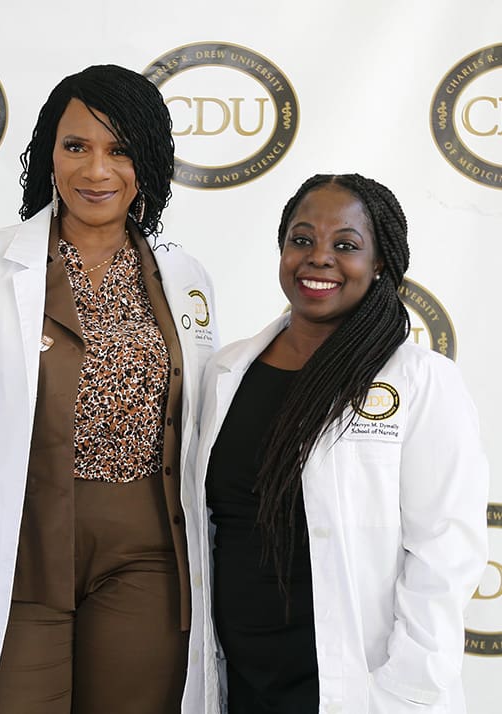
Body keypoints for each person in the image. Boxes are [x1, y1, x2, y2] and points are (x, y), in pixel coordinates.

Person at [0, 64, 218, 714]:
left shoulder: (185, 277)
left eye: (120, 149)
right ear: (48, 156)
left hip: (146, 558)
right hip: (22, 553)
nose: (97, 170)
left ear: (147, 162)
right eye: (77, 147)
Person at [188, 174, 488, 714]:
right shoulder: (227, 372)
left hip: (357, 683)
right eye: (301, 240)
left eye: (345, 246)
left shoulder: (419, 380)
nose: (318, 258)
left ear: (379, 263)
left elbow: (446, 548)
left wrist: (406, 681)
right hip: (243, 679)